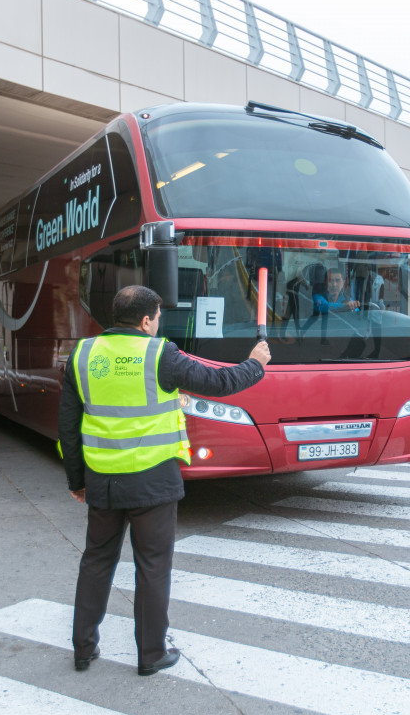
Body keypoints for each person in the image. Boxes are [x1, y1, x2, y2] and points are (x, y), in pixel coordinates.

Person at [58, 285, 270, 675]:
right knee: (152, 566)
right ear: (145, 320)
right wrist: (255, 364)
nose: (158, 324)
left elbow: (68, 426)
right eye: (157, 317)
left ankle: (83, 649)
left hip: (103, 481)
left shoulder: (83, 354)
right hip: (153, 483)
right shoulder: (160, 354)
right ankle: (151, 654)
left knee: (96, 562)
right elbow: (218, 384)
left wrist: (77, 480)